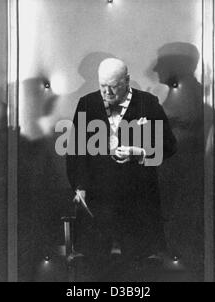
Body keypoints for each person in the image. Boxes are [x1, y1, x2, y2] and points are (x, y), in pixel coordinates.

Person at [66, 58, 176, 281]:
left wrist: (142, 153)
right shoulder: (87, 104)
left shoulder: (148, 103)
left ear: (126, 81)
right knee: (95, 271)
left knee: (137, 271)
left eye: (113, 86)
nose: (106, 92)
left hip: (137, 205)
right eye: (102, 85)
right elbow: (75, 152)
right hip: (98, 205)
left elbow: (170, 146)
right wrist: (79, 187)